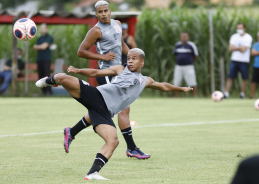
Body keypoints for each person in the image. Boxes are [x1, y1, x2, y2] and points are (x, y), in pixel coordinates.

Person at [35, 48, 193, 180]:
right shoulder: (120, 69)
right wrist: (78, 70)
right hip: (96, 96)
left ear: (142, 62)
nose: (130, 61)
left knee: (113, 141)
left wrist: (181, 89)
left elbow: (164, 86)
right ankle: (45, 81)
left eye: (134, 59)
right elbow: (97, 72)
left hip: (104, 112)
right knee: (63, 77)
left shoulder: (145, 80)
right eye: (129, 58)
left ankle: (92, 173)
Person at [76, 0, 149, 159]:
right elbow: (81, 51)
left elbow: (121, 43)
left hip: (120, 72)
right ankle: (132, 148)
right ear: (96, 14)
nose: (103, 14)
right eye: (100, 12)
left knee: (108, 109)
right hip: (107, 73)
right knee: (123, 108)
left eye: (105, 11)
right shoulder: (96, 31)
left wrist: (132, 59)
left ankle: (71, 131)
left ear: (110, 11)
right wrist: (101, 56)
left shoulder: (116, 24)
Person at [224, 23, 252, 99]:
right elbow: (230, 49)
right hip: (234, 60)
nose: (239, 30)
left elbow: (244, 50)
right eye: (238, 28)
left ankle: (242, 94)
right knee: (230, 76)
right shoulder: (234, 36)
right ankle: (226, 93)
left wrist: (235, 48)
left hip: (244, 61)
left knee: (244, 78)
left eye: (240, 28)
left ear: (244, 28)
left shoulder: (248, 37)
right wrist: (240, 48)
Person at [173, 32, 198, 97]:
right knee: (176, 82)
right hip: (178, 66)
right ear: (180, 37)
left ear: (188, 37)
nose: (184, 38)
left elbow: (195, 56)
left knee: (192, 82)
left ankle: (195, 96)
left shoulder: (191, 45)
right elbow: (175, 55)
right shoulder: (177, 45)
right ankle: (175, 97)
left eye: (185, 36)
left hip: (189, 66)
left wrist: (189, 61)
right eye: (182, 36)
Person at [34, 23, 53, 95]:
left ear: (46, 29)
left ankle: (49, 91)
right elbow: (34, 48)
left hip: (46, 59)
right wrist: (40, 46)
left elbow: (44, 47)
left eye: (44, 28)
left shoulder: (49, 37)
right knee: (40, 76)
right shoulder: (39, 38)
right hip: (39, 59)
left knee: (46, 75)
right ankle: (43, 92)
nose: (43, 29)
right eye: (41, 28)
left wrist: (39, 46)